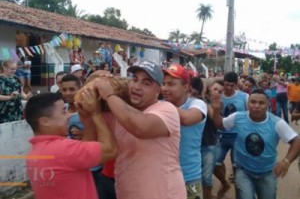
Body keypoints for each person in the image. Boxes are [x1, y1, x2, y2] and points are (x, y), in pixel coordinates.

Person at [94, 60, 186, 199]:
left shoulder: (167, 110)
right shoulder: (118, 113)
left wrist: (109, 95)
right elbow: (94, 147)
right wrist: (95, 79)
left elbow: (140, 127)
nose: (137, 86)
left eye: (146, 83)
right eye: (135, 79)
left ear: (158, 90)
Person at [25, 91, 118, 199]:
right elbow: (111, 150)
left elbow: (82, 155)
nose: (68, 116)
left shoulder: (35, 152)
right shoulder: (62, 150)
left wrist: (87, 121)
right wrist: (96, 113)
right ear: (45, 121)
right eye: (63, 112)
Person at [211, 89, 300, 199]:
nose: (256, 106)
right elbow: (220, 125)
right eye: (253, 102)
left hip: (268, 173)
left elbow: (296, 141)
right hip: (243, 172)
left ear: (268, 104)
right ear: (247, 104)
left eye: (261, 103)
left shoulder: (276, 123)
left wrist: (286, 161)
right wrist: (216, 110)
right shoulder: (238, 117)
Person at [161, 64, 207, 199]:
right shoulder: (159, 104)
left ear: (186, 86)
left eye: (171, 84)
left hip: (189, 176)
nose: (164, 88)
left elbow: (187, 119)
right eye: (163, 84)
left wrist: (159, 105)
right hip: (163, 175)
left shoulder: (197, 104)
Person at [214, 71, 248, 198]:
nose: (228, 88)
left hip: (238, 137)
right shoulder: (218, 96)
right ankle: (225, 184)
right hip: (221, 136)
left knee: (237, 169)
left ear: (236, 84)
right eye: (226, 84)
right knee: (214, 164)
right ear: (224, 83)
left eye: (231, 85)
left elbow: (250, 116)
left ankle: (238, 195)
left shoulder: (244, 97)